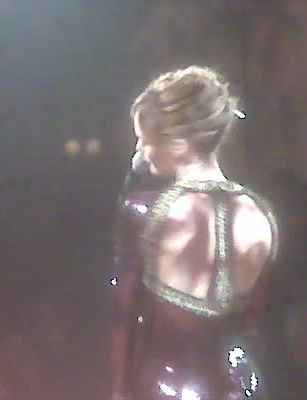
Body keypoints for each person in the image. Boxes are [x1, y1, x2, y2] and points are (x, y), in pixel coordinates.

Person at [110, 66, 279, 400]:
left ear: (177, 141)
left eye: (146, 138)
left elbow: (123, 314)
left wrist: (118, 392)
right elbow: (253, 324)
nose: (141, 149)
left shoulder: (144, 212)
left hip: (169, 387)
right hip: (242, 386)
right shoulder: (260, 213)